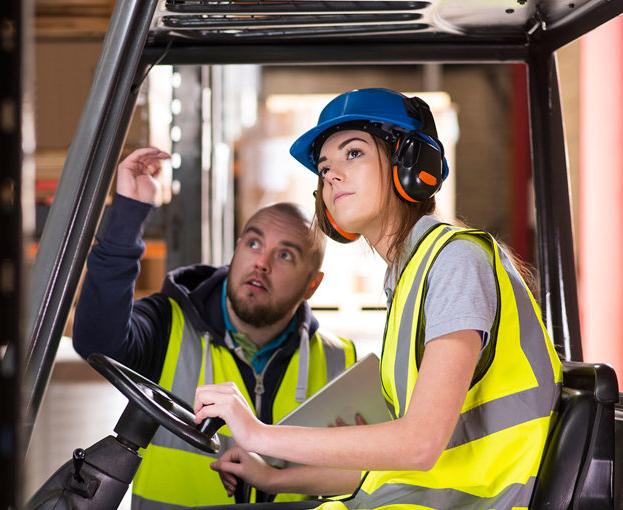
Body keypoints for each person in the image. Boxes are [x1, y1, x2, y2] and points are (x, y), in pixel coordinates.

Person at [192, 88, 563, 509]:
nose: (331, 175)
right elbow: (393, 459)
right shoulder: (409, 276)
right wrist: (275, 477)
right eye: (324, 166)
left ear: (411, 164)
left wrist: (258, 432)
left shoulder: (456, 260)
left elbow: (420, 445)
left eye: (353, 153)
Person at [72, 147, 357, 508]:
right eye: (253, 243)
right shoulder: (167, 323)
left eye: (285, 255)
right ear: (236, 251)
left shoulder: (338, 361)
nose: (261, 263)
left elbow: (360, 486)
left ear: (311, 286)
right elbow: (95, 341)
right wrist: (129, 213)